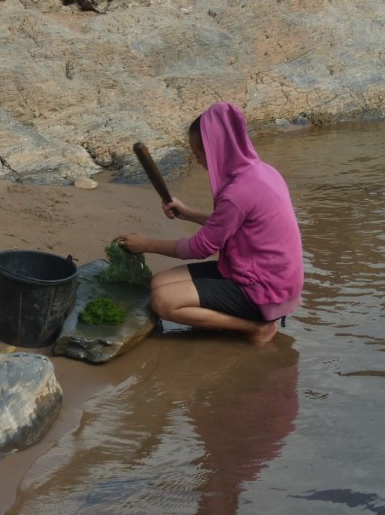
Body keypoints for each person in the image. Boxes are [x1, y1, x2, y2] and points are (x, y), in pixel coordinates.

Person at [119, 102, 303, 346]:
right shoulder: (262, 171)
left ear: (216, 150)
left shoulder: (238, 192)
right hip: (259, 273)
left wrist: (146, 244)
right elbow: (230, 224)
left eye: (198, 154)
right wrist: (187, 213)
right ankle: (242, 317)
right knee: (157, 283)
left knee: (162, 301)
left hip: (264, 289)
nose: (198, 161)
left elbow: (200, 248)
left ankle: (258, 327)